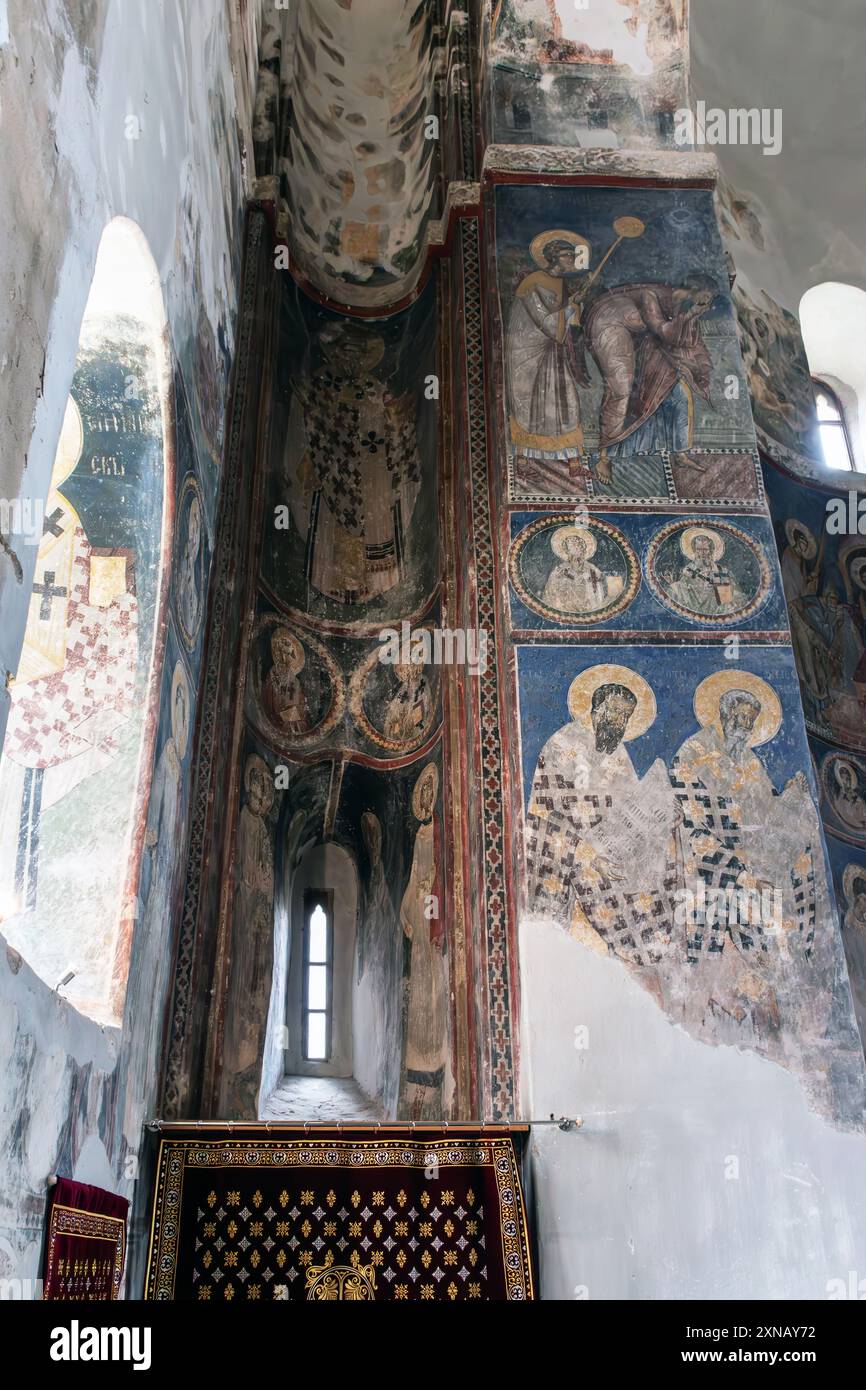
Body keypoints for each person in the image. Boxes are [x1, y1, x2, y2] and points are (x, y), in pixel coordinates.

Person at [583, 271, 718, 476]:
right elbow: (664, 331)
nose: (707, 304)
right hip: (609, 325)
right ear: (695, 290)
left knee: (679, 394)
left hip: (639, 337)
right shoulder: (650, 295)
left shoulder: (684, 308)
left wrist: (703, 369)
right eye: (707, 298)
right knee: (621, 390)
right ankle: (605, 457)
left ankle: (680, 454)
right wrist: (690, 315)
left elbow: (691, 342)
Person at [506, 232, 590, 476]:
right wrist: (568, 308)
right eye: (569, 255)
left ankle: (574, 462)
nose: (573, 259)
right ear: (555, 257)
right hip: (528, 351)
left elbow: (564, 322)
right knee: (529, 405)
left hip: (553, 351)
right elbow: (542, 318)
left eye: (574, 255)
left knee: (567, 402)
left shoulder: (563, 284)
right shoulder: (532, 281)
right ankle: (522, 461)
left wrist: (575, 304)